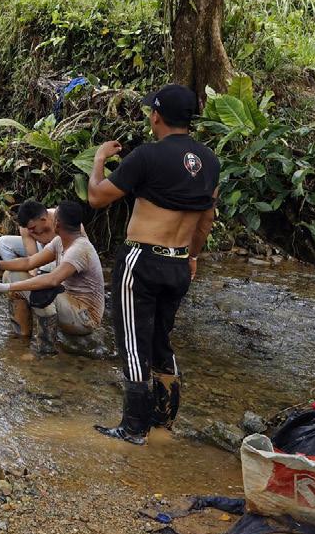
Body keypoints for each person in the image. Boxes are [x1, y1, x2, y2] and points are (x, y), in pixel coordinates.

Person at [86, 84, 220, 445]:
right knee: (161, 340)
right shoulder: (210, 161)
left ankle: (133, 429)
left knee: (133, 342)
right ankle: (163, 422)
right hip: (179, 262)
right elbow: (206, 218)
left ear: (156, 116)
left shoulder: (147, 155)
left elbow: (96, 197)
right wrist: (193, 256)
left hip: (141, 258)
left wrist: (98, 159)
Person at [0, 201, 104, 355]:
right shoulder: (59, 241)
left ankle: (46, 351)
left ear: (57, 224)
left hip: (85, 318)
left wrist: (4, 287)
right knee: (11, 275)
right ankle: (21, 337)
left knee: (43, 291)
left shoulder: (79, 249)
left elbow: (52, 280)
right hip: (69, 303)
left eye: (54, 218)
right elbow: (30, 262)